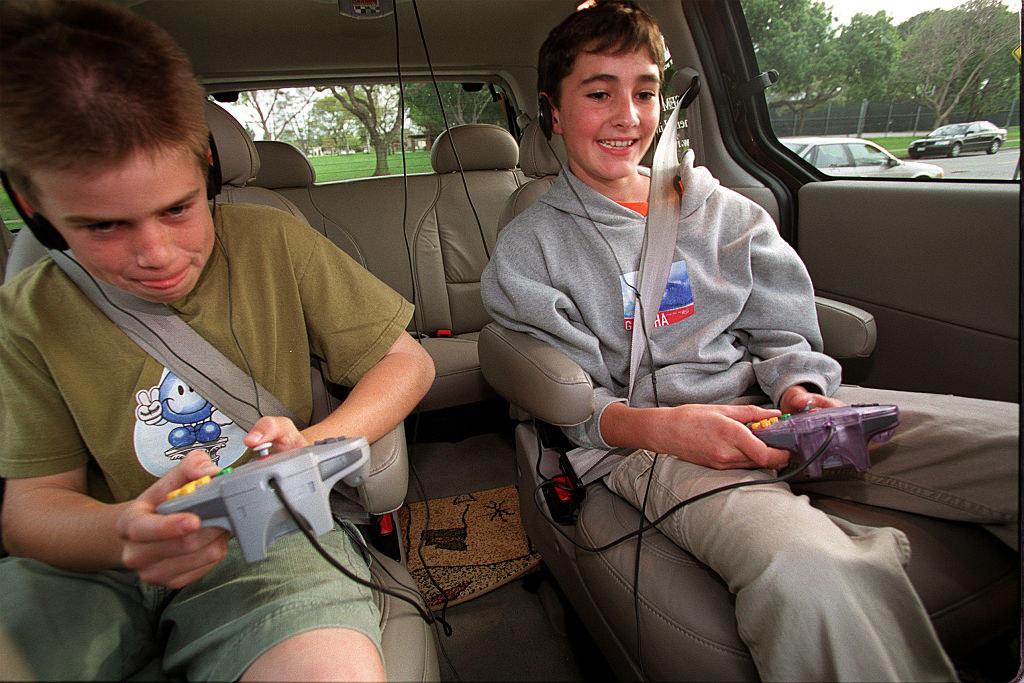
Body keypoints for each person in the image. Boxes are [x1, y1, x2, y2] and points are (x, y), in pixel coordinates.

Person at [480, 1, 1018, 680]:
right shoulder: (533, 247)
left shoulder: (726, 211)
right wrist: (667, 428)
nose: (628, 115)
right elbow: (572, 402)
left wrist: (801, 389)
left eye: (645, 91)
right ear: (553, 112)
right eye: (598, 93)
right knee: (812, 574)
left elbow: (782, 326)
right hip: (648, 443)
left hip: (776, 414)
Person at [0, 1, 435, 680]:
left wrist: (316, 445)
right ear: (37, 213)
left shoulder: (273, 243)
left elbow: (406, 361)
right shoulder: (27, 313)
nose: (155, 253)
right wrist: (120, 533)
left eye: (177, 208)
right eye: (103, 227)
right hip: (91, 565)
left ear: (206, 168)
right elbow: (31, 510)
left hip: (265, 532)